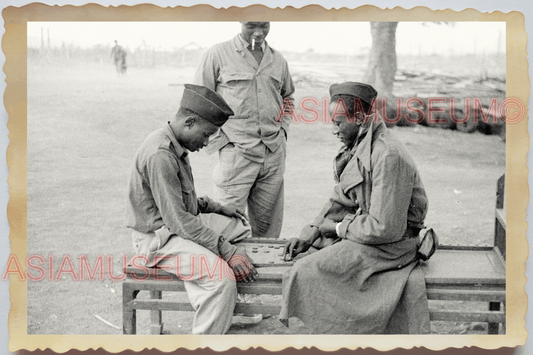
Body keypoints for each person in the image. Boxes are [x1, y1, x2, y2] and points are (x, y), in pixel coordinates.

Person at [280, 82, 431, 334]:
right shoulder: (362, 145)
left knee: (306, 271)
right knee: (312, 252)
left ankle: (342, 337)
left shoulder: (388, 155)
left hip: (392, 246)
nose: (334, 130)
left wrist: (338, 228)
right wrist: (315, 229)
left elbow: (386, 228)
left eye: (339, 122)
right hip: (371, 236)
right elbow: (342, 198)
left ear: (360, 118)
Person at [125, 84, 258, 334]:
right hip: (157, 240)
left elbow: (184, 203)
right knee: (221, 279)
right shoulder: (160, 155)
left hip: (175, 226)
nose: (207, 142)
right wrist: (227, 252)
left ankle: (220, 305)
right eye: (206, 134)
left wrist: (219, 207)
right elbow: (179, 221)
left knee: (238, 226)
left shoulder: (174, 143)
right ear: (189, 121)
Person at [193, 22, 295, 240]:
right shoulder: (217, 54)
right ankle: (231, 272)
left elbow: (288, 98)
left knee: (269, 231)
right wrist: (221, 143)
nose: (258, 32)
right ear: (239, 20)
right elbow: (200, 99)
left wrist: (283, 130)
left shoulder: (278, 60)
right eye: (251, 25)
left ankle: (264, 273)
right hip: (236, 154)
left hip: (273, 153)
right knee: (227, 227)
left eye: (264, 25)